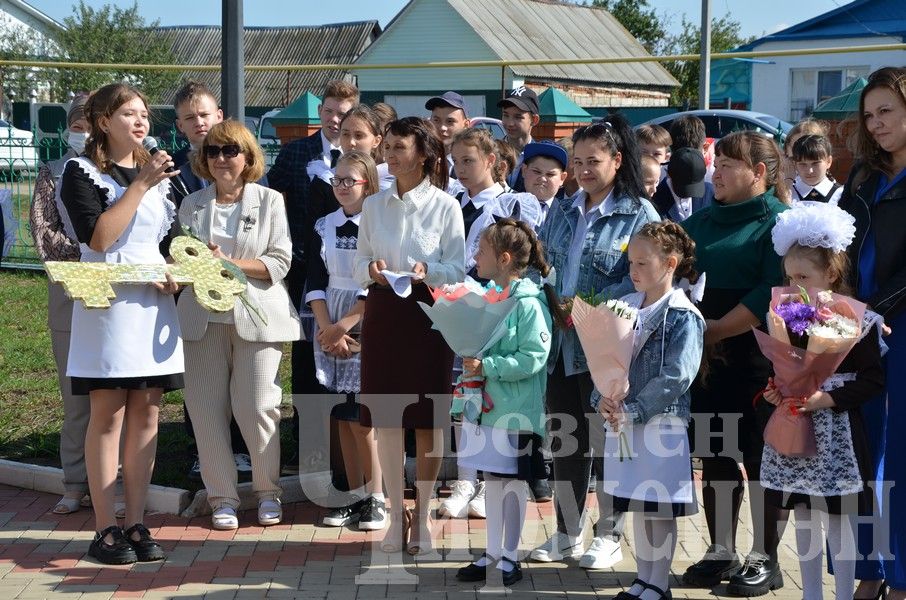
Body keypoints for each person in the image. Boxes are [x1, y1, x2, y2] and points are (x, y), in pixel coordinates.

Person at [56, 83, 183, 564]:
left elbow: (172, 243)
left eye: (145, 114)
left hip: (152, 310)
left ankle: (137, 521)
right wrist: (140, 184)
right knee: (107, 415)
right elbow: (102, 238)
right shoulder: (80, 171)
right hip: (108, 309)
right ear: (103, 122)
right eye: (128, 113)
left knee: (147, 416)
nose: (140, 121)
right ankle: (104, 527)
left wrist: (184, 276)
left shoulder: (167, 178)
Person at [532, 115, 660, 570]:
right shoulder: (564, 208)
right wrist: (547, 300)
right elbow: (542, 263)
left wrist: (584, 307)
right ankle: (567, 532)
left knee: (608, 442)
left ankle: (609, 535)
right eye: (578, 161)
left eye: (594, 161)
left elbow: (645, 280)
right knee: (567, 441)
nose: (584, 170)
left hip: (609, 345)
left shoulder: (640, 214)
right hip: (560, 344)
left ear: (618, 160)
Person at [679, 131, 790, 595]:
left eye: (727, 164)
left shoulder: (780, 222)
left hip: (757, 356)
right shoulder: (700, 222)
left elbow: (771, 288)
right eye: (715, 162)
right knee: (717, 456)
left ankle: (765, 558)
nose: (715, 172)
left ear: (759, 173)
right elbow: (678, 273)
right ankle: (720, 549)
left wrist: (719, 328)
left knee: (759, 459)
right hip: (704, 357)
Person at [177, 120, 301, 530]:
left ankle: (267, 493)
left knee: (258, 407)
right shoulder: (192, 204)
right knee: (205, 411)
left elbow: (279, 262)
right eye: (213, 151)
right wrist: (192, 265)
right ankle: (222, 499)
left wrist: (227, 263)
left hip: (257, 317)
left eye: (230, 150)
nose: (221, 159)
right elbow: (185, 260)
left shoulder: (269, 201)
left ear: (248, 157)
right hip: (201, 318)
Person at [760, 201, 886, 600]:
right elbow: (785, 366)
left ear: (830, 273)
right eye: (789, 276)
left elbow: (873, 380)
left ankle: (844, 594)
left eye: (804, 276)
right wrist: (777, 390)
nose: (795, 285)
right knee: (803, 513)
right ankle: (810, 593)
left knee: (839, 518)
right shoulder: (787, 317)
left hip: (837, 434)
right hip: (798, 425)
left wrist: (828, 399)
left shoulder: (855, 319)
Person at [354, 116, 465, 555]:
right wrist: (373, 270)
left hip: (427, 315)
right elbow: (360, 259)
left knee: (427, 417)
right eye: (388, 147)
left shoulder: (445, 205)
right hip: (383, 312)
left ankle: (422, 513)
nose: (391, 155)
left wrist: (427, 272)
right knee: (385, 416)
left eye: (401, 148)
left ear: (424, 154)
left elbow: (458, 269)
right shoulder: (372, 205)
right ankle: (395, 511)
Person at [594, 222, 705, 600]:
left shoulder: (682, 314)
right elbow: (606, 360)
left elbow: (678, 375)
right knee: (638, 502)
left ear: (670, 263)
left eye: (642, 263)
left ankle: (659, 582)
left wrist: (636, 409)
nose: (633, 270)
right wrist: (604, 398)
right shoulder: (625, 307)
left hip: (660, 424)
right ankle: (643, 577)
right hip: (624, 421)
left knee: (659, 506)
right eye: (631, 262)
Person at [454, 219, 558, 587]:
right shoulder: (489, 296)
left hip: (515, 413)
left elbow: (533, 357)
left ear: (504, 258)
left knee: (511, 484)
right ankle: (493, 550)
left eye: (480, 251)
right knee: (492, 481)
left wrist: (489, 365)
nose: (474, 257)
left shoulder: (529, 305)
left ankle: (510, 556)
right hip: (486, 409)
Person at [267, 79, 358, 474]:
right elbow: (273, 200)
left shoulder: (362, 158)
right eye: (329, 112)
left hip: (355, 277)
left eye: (344, 113)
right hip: (306, 272)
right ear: (320, 112)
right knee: (307, 360)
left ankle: (347, 455)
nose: (335, 120)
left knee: (352, 363)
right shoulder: (296, 152)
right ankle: (308, 449)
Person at [840, 65, 906, 600]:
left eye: (887, 110)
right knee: (866, 454)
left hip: (898, 328)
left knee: (900, 455)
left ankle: (901, 574)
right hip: (856, 329)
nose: (876, 122)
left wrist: (879, 307)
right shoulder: (861, 176)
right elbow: (837, 244)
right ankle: (873, 567)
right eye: (869, 114)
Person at [169, 80, 250, 482]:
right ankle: (203, 448)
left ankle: (240, 447)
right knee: (202, 376)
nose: (199, 123)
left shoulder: (247, 167)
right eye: (189, 118)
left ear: (219, 115)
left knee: (242, 376)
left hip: (243, 288)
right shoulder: (177, 175)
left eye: (204, 114)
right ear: (180, 126)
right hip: (197, 289)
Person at [30, 93, 105, 516]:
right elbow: (46, 238)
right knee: (77, 399)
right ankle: (75, 481)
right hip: (71, 297)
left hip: (121, 298)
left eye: (91, 123)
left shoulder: (121, 174)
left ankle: (112, 481)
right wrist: (96, 256)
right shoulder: (53, 172)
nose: (84, 131)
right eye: (78, 123)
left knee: (116, 396)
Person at [308, 150, 386, 532]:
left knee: (362, 417)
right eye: (335, 180)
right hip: (328, 321)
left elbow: (376, 284)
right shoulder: (323, 225)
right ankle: (353, 495)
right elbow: (313, 281)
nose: (340, 187)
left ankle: (377, 496)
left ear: (367, 184)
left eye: (348, 181)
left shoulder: (379, 227)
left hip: (364, 320)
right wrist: (326, 328)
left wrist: (347, 326)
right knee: (341, 414)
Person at [651, 147, 714, 222]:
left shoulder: (711, 192)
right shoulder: (654, 199)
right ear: (668, 174)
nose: (689, 194)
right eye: (683, 184)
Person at [498, 87, 541, 193]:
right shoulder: (492, 151)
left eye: (518, 117)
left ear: (534, 120)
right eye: (505, 115)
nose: (510, 123)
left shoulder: (541, 157)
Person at [520, 140, 570, 229]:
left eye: (550, 174)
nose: (542, 179)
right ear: (524, 170)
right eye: (536, 172)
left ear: (562, 178)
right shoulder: (505, 208)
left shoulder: (569, 217)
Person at [790, 134, 842, 204]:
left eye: (815, 163)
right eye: (802, 164)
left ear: (829, 161)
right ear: (795, 164)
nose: (810, 171)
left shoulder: (840, 194)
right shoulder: (789, 193)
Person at [782, 118, 828, 182]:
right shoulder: (777, 178)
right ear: (787, 148)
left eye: (808, 146)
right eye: (796, 145)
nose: (802, 151)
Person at [669, 115, 713, 183]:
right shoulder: (660, 175)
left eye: (694, 157)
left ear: (705, 148)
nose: (686, 163)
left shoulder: (715, 178)